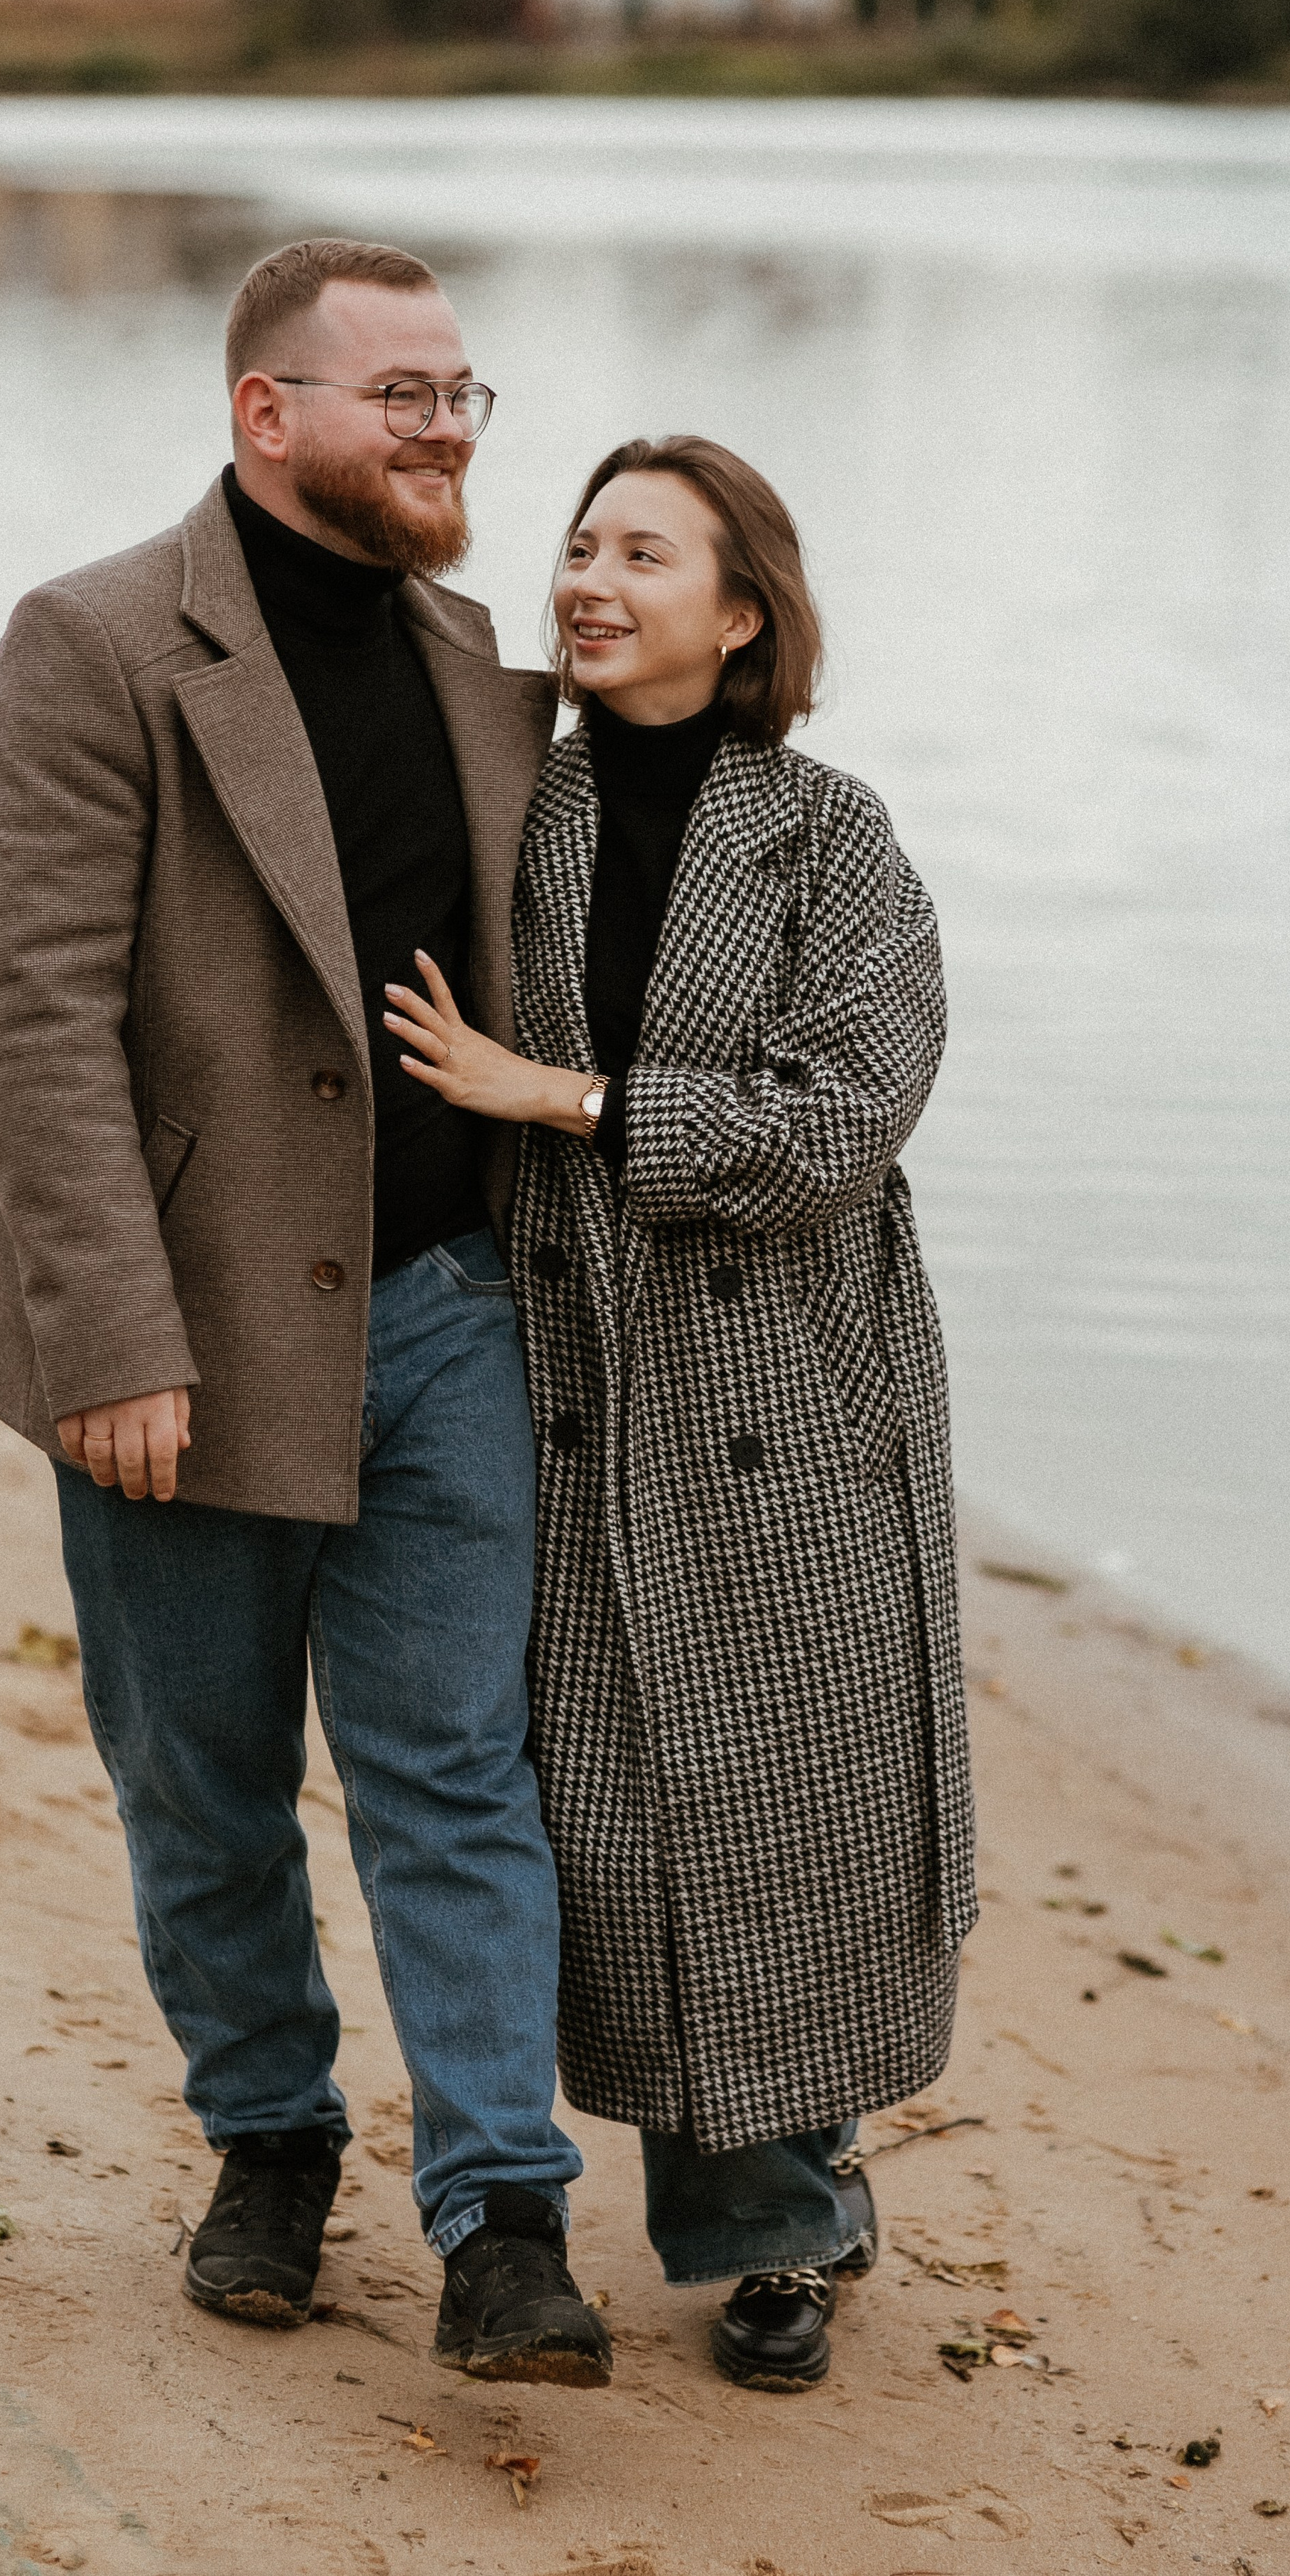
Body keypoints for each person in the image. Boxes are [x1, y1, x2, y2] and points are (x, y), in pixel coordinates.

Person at [0, 237, 612, 2388]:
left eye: (461, 392)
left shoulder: (468, 647)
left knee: (456, 1774)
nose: (447, 430)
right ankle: (268, 2139)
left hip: (443, 1321)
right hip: (184, 1335)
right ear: (270, 415)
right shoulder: (96, 643)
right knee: (204, 1783)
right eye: (402, 395)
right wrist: (111, 1335)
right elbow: (36, 1018)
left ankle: (505, 2216)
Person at [383, 435, 977, 2391]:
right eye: (579, 543)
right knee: (624, 1810)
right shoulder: (513, 815)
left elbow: (842, 1124)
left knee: (791, 1795)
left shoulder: (836, 838)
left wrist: (563, 1098)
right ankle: (697, 2200)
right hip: (566, 1374)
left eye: (644, 553)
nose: (588, 576)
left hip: (792, 1383)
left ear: (739, 616)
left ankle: (791, 2229)